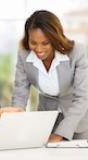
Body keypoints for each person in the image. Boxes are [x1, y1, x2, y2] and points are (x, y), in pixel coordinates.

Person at [12, 10, 88, 142]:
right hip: (46, 120)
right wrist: (13, 128)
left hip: (77, 121)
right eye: (33, 43)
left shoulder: (76, 52)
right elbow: (20, 95)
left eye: (45, 43)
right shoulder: (24, 54)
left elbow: (82, 96)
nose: (39, 49)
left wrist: (60, 134)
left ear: (55, 38)